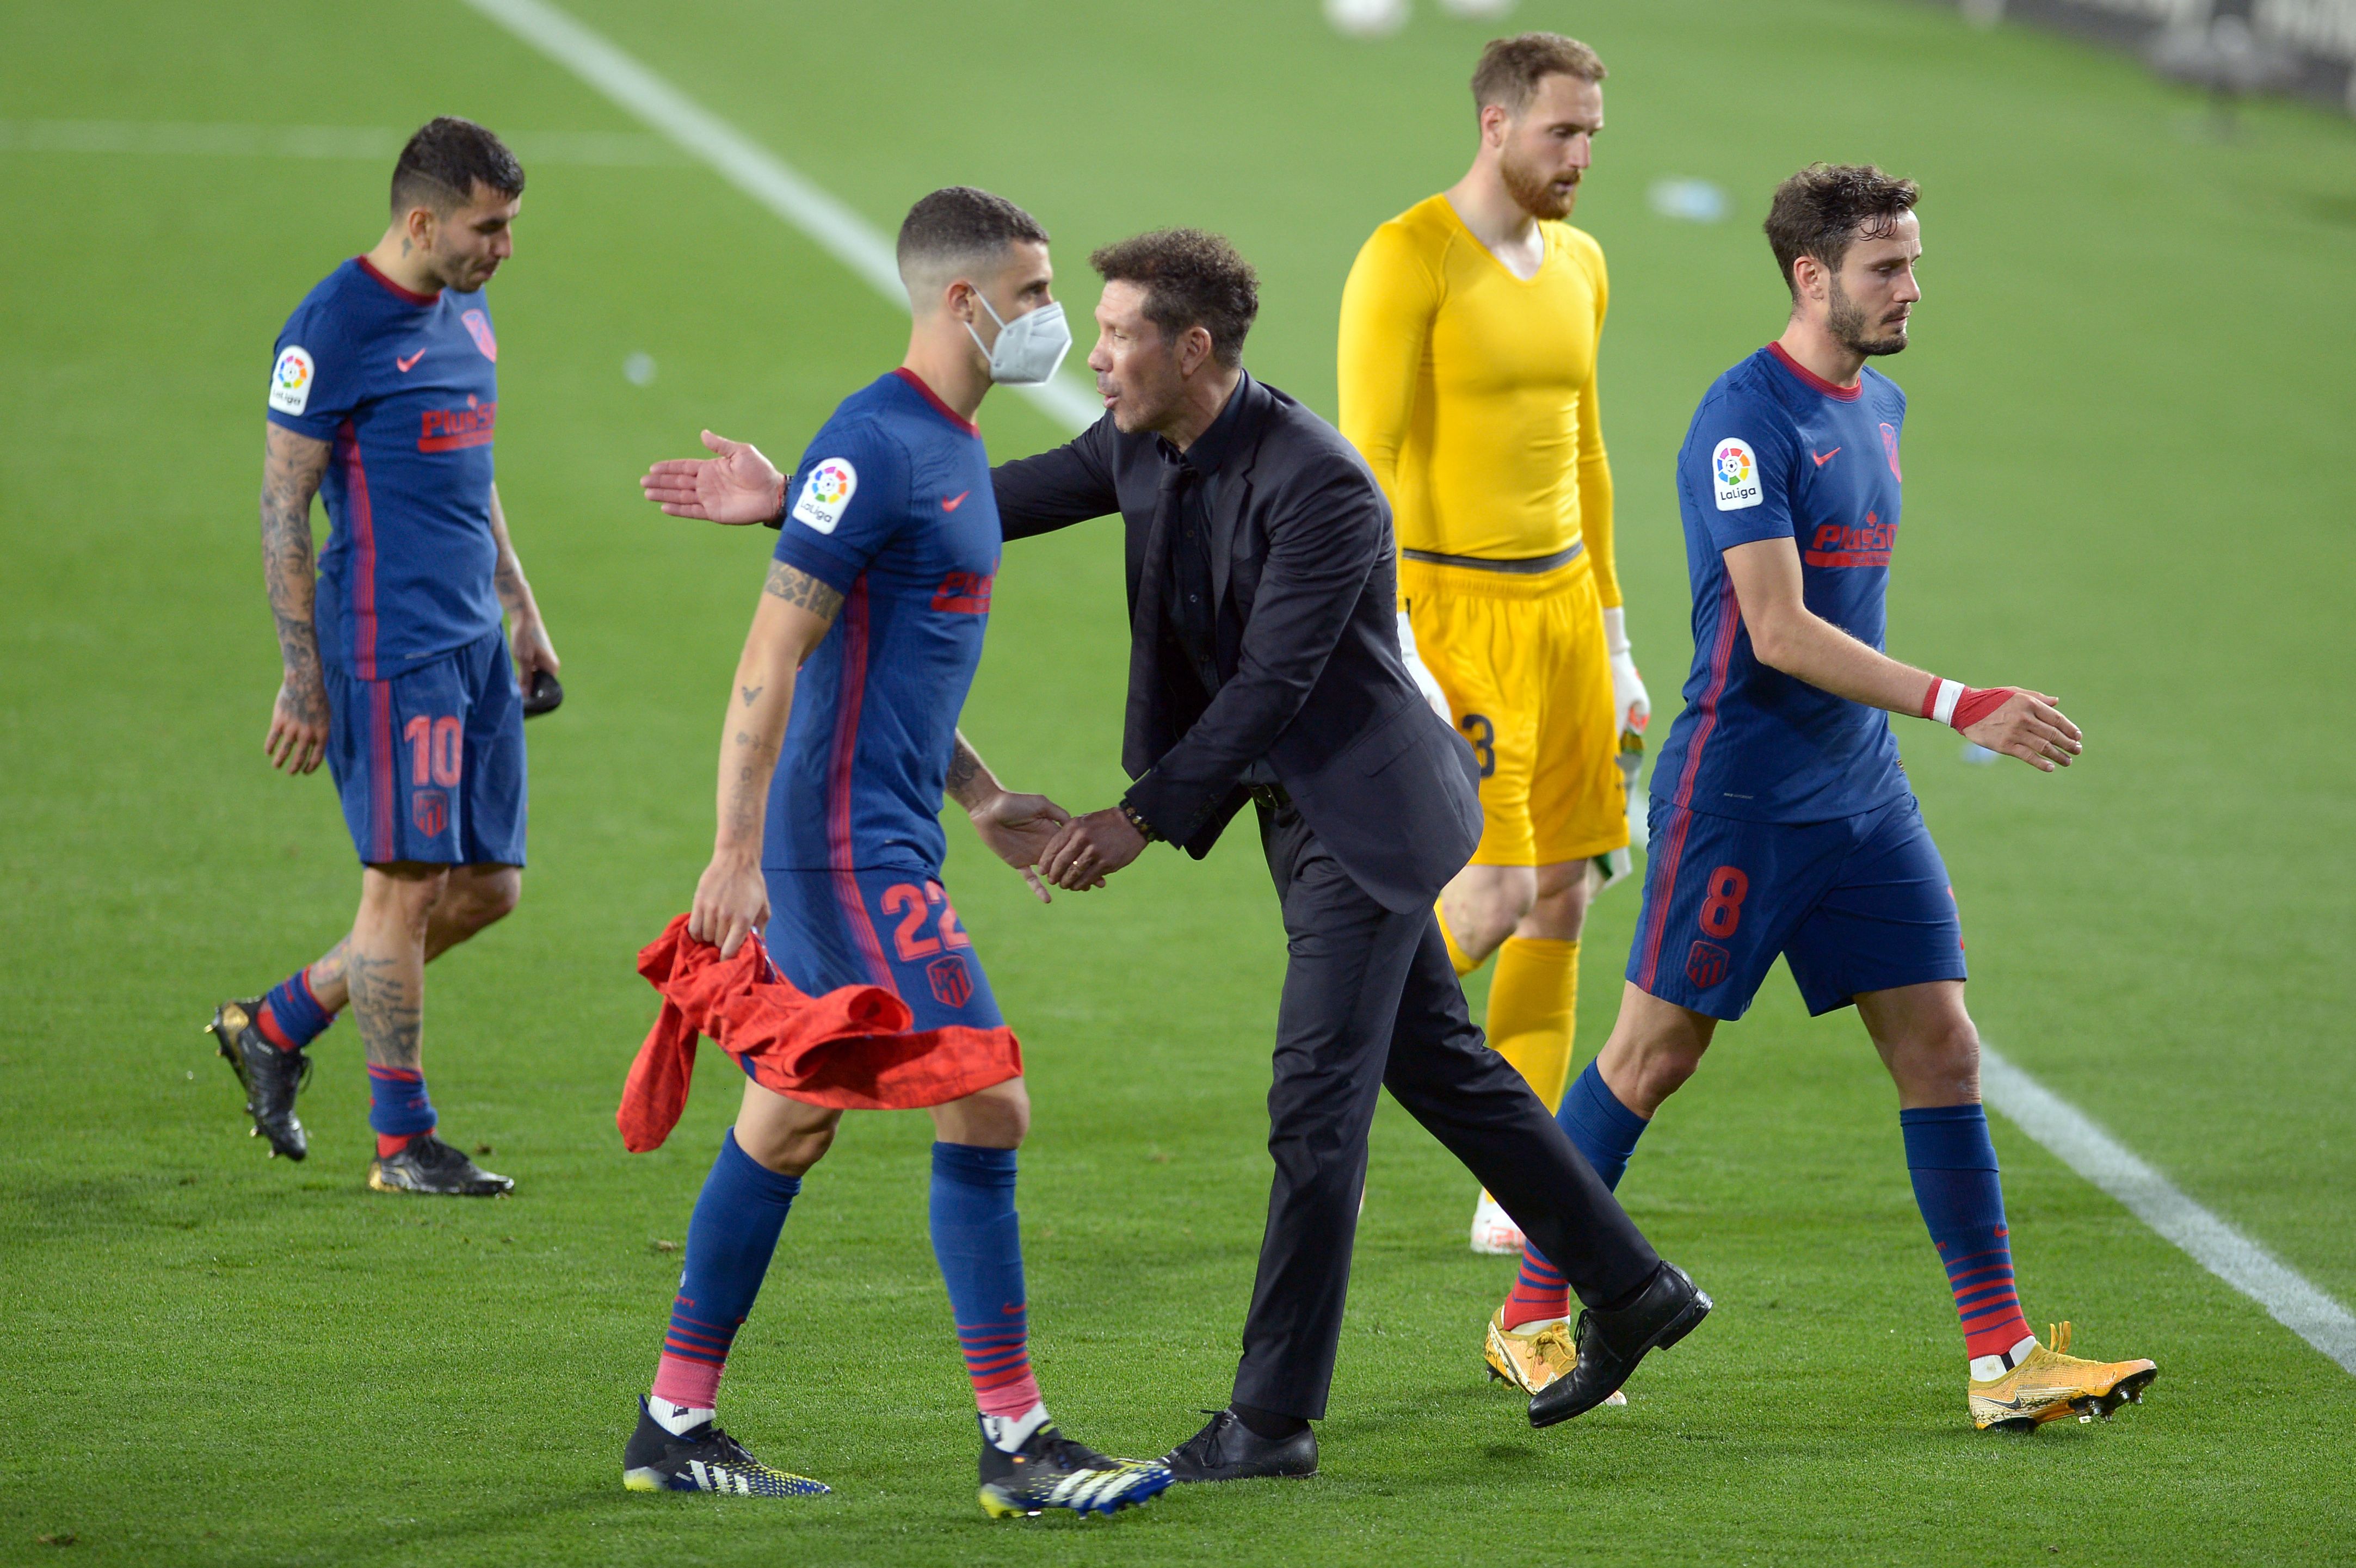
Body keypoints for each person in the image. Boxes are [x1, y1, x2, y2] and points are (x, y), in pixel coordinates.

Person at [998, 227, 1710, 1474]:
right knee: (1441, 1068)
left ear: (1193, 347)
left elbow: (1272, 683)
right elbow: (996, 500)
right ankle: (1634, 1288)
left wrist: (1138, 818)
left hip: (1370, 824)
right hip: (1309, 812)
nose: (1095, 356)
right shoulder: (1137, 442)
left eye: (1117, 334)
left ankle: (1270, 1421)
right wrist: (814, 503)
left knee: (1313, 1111)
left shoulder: (1317, 481)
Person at [1483, 163, 2157, 1432]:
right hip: (1736, 794)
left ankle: (2000, 1359)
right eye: (1884, 268)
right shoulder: (1739, 423)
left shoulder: (1881, 403)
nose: (1910, 288)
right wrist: (1962, 702)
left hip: (1859, 796)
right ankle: (1526, 1311)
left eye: (1911, 261)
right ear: (1811, 277)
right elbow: (1779, 631)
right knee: (1650, 1054)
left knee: (1941, 1046)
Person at [624, 187, 1171, 1516]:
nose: (1053, 321)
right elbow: (773, 657)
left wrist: (977, 794)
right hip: (837, 855)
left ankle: (672, 1420)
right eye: (1036, 295)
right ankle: (1019, 1442)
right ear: (960, 301)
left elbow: (895, 655)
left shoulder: (937, 449)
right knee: (986, 1098)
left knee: (792, 1115)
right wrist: (734, 852)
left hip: (890, 834)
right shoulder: (878, 442)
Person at [1338, 33, 1653, 1287]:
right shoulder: (1406, 256)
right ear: (1492, 124)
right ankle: (1330, 1076)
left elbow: (1585, 453)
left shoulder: (1581, 263)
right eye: (1558, 134)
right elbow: (1360, 457)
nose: (1578, 159)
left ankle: (1508, 1186)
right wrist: (1398, 642)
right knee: (1490, 897)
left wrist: (1618, 643)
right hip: (1452, 615)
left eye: (1590, 136)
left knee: (1567, 894)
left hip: (1567, 615)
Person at [205, 117, 552, 1197]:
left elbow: (471, 466)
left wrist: (523, 610)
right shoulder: (334, 324)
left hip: (473, 640)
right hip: (388, 646)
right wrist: (304, 679)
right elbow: (280, 509)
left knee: (488, 887)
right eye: (487, 229)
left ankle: (275, 1023)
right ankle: (402, 1142)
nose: (503, 248)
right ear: (420, 220)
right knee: (400, 894)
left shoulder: (468, 306)